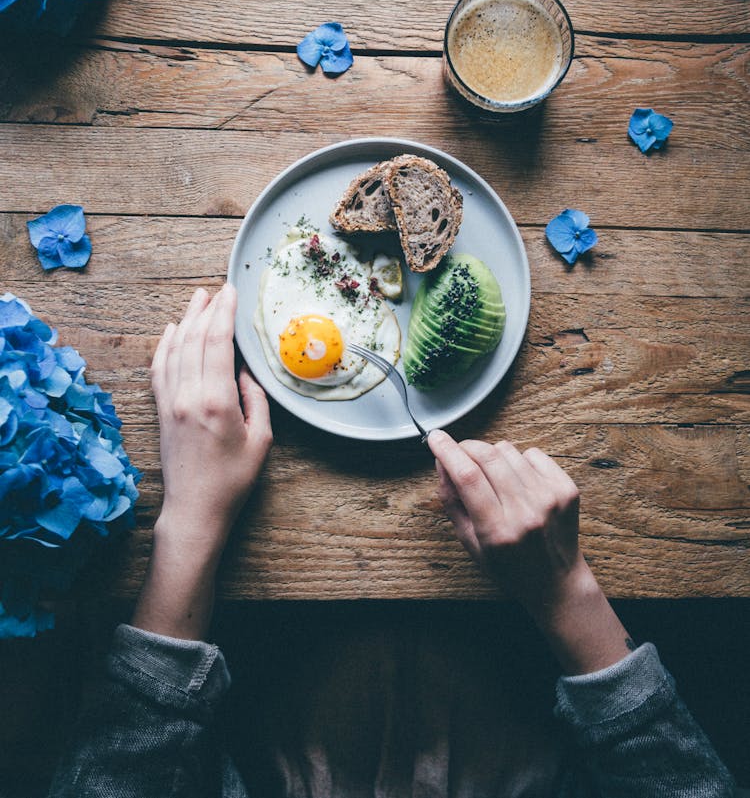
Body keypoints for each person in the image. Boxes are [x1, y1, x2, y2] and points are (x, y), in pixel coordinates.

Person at [48, 286, 736, 798]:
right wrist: (568, 593)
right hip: (532, 686)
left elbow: (116, 771)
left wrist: (190, 520)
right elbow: (680, 780)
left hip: (254, 691)